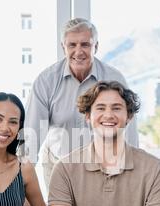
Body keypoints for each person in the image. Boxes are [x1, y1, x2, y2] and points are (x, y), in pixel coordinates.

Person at [24, 18, 139, 190]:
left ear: (96, 47)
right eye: (72, 45)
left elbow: (128, 130)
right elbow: (31, 133)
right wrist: (23, 181)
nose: (79, 52)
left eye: (85, 44)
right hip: (58, 164)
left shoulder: (115, 79)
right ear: (63, 47)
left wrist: (131, 173)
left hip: (102, 166)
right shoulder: (46, 81)